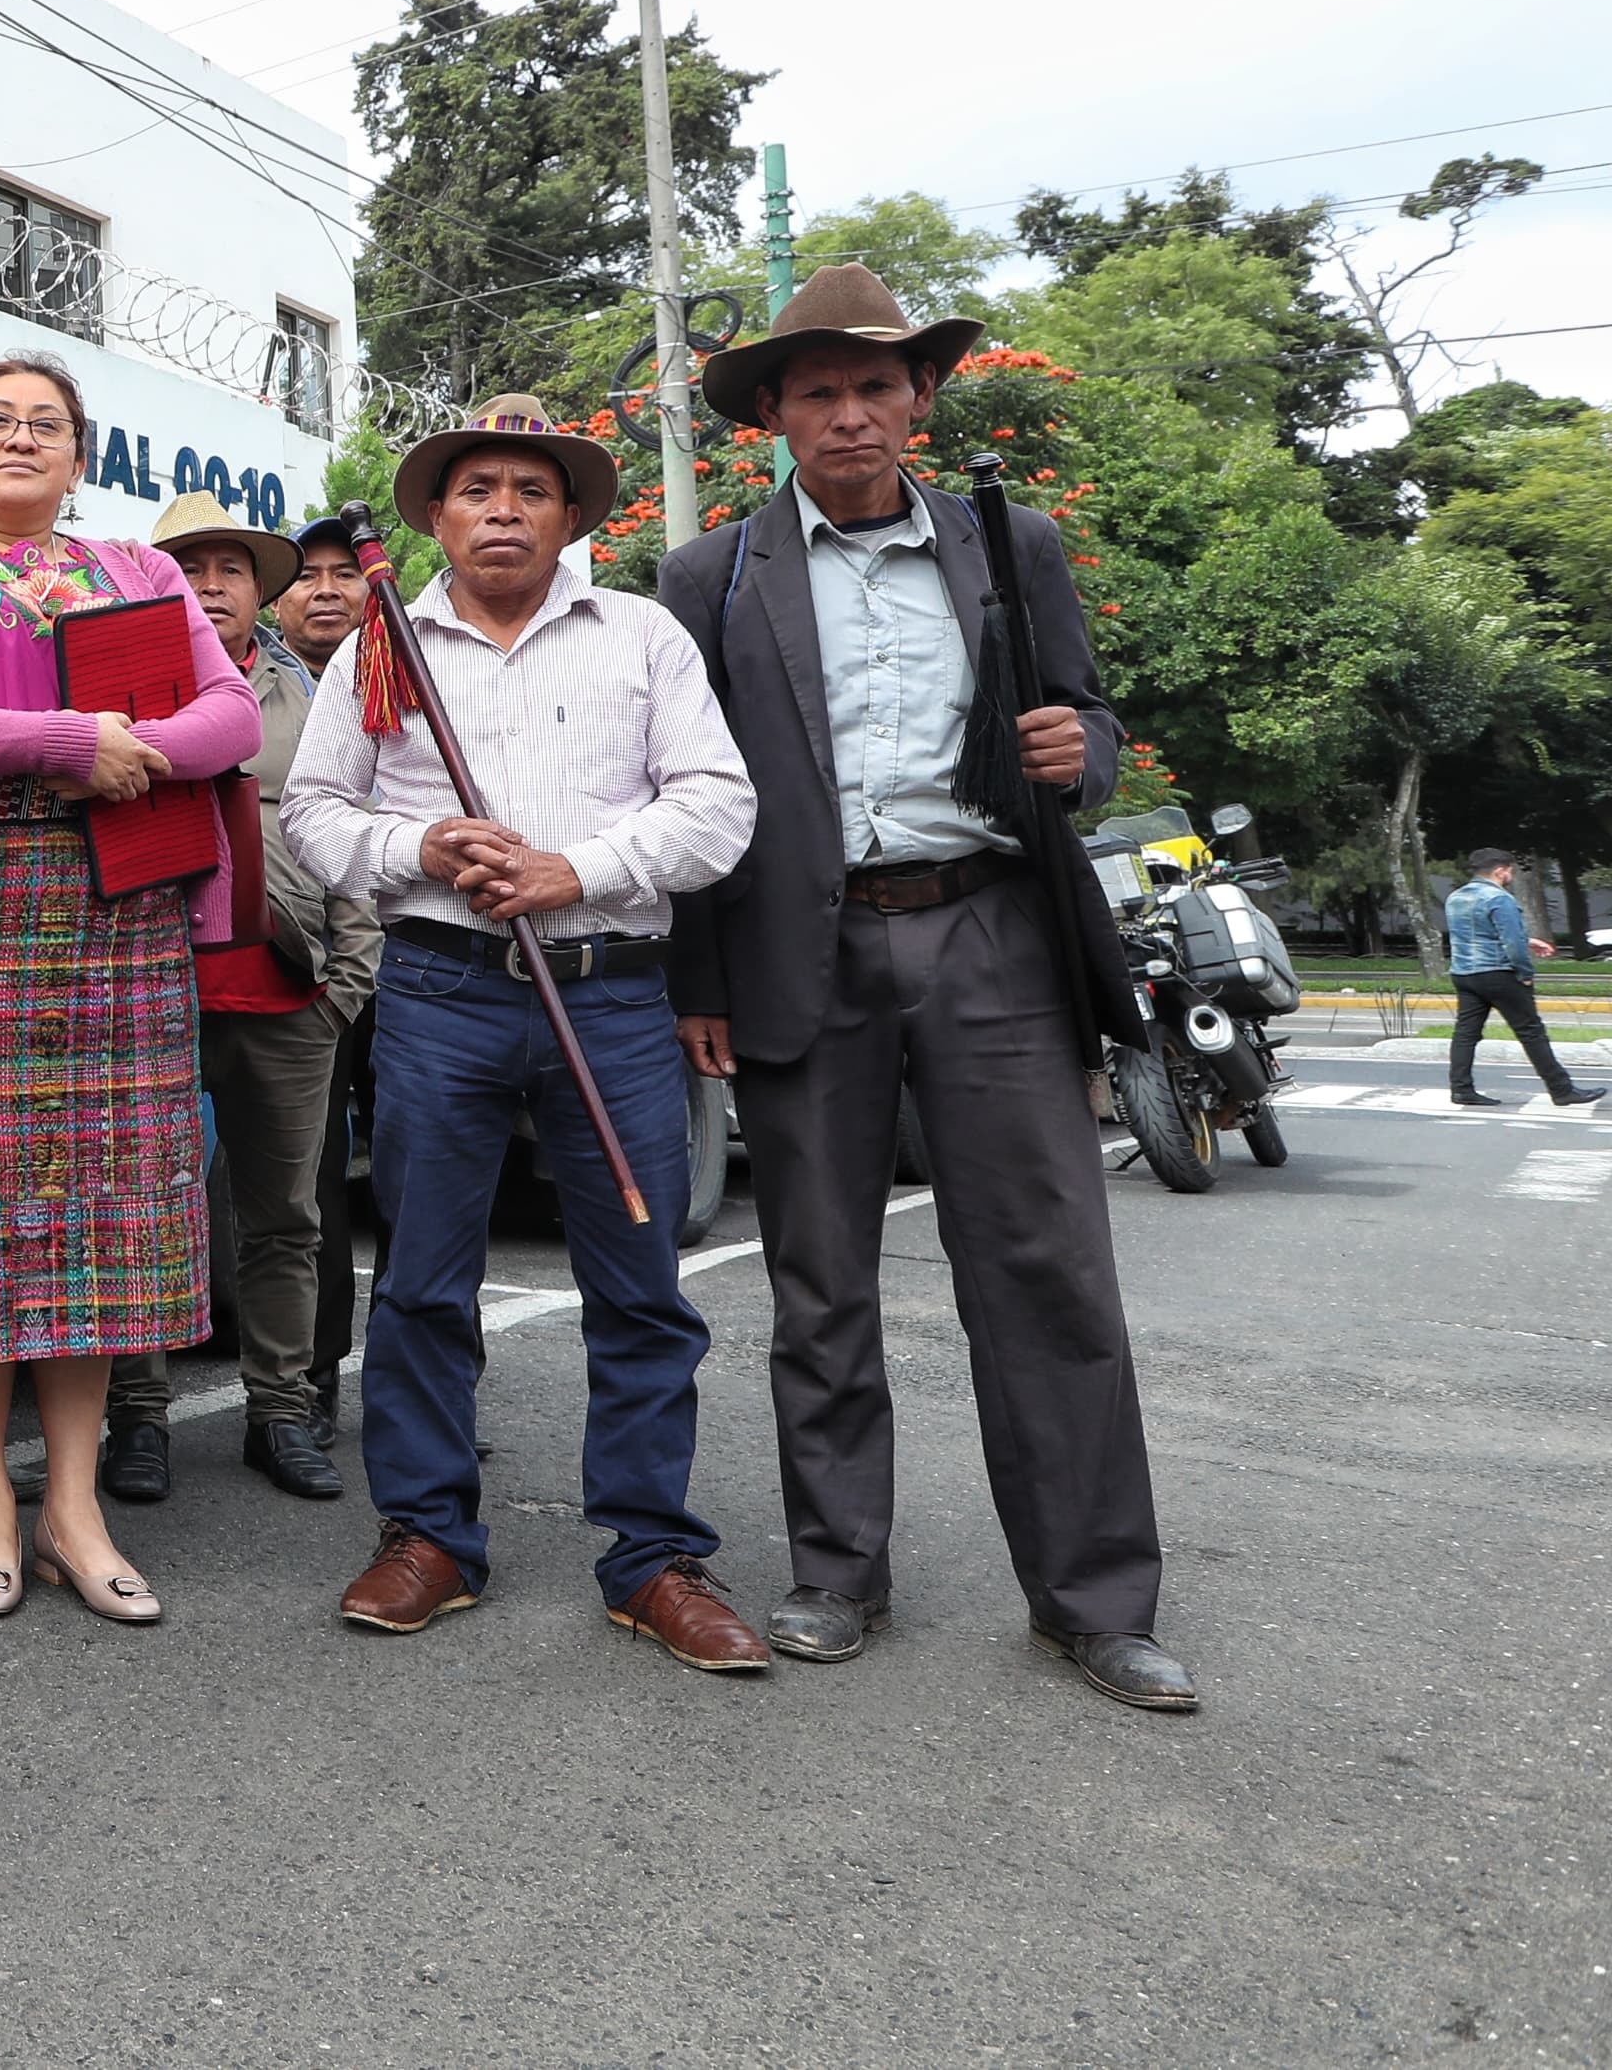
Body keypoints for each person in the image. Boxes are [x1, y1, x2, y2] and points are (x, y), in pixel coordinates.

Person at [664, 267, 1196, 1712]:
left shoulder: (1009, 542)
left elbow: (1089, 716)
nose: (850, 414)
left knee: (1046, 1272)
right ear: (773, 415)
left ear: (920, 400)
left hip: (992, 935)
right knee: (818, 1280)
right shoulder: (710, 576)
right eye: (819, 392)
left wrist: (1077, 755)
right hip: (800, 953)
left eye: (875, 387)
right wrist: (699, 978)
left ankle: (1094, 1602)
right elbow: (688, 787)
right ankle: (837, 1572)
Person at [279, 396, 760, 1673]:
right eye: (475, 488)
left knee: (639, 1285)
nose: (502, 509)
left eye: (529, 490)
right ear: (435, 517)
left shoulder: (640, 634)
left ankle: (651, 1557)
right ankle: (427, 1535)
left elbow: (717, 806)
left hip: (607, 996)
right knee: (422, 1281)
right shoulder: (380, 646)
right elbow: (314, 811)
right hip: (438, 994)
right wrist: (417, 846)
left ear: (569, 516)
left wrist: (574, 869)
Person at [0, 353, 262, 1627]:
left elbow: (232, 715)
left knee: (98, 1218)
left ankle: (71, 1506)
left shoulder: (137, 570)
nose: (19, 438)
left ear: (80, 455)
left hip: (121, 920)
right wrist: (70, 742)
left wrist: (134, 755)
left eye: (47, 423)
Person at [98, 491, 373, 1508]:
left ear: (260, 589)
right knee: (138, 1214)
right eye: (188, 565)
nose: (209, 584)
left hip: (290, 999)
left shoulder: (313, 695)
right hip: (145, 1000)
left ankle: (279, 1410)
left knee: (285, 1221)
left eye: (230, 567)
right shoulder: (112, 689)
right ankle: (137, 1416)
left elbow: (350, 832)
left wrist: (346, 983)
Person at [265, 519, 387, 1424]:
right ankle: (314, 1374)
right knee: (316, 1178)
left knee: (425, 1181)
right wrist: (341, 985)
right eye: (307, 575)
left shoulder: (414, 671)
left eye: (347, 572)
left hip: (425, 947)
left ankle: (435, 1383)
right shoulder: (260, 693)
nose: (328, 589)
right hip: (325, 960)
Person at [1444, 846, 1595, 1107]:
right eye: (1510, 871)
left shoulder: (1456, 897)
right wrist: (1525, 974)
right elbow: (1512, 942)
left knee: (1466, 1034)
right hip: (1498, 973)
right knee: (1531, 1032)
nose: (1510, 876)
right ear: (1500, 871)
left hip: (1464, 973)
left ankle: (1461, 1089)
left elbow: (1478, 935)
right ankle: (1562, 1090)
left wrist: (1529, 940)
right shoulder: (1499, 898)